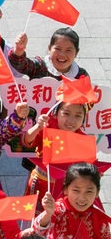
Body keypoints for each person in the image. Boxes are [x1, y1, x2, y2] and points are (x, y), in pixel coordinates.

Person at [22, 79, 94, 208]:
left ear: (84, 119)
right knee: (35, 216)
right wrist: (37, 127)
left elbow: (89, 172)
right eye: (66, 113)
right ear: (56, 113)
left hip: (66, 190)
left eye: (78, 116)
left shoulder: (84, 141)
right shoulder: (47, 128)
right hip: (41, 184)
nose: (71, 121)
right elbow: (26, 141)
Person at [9, 28, 89, 80]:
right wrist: (19, 49)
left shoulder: (81, 76)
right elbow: (20, 64)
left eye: (68, 50)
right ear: (49, 48)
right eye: (58, 49)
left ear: (76, 52)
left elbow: (88, 98)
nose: (62, 54)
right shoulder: (40, 67)